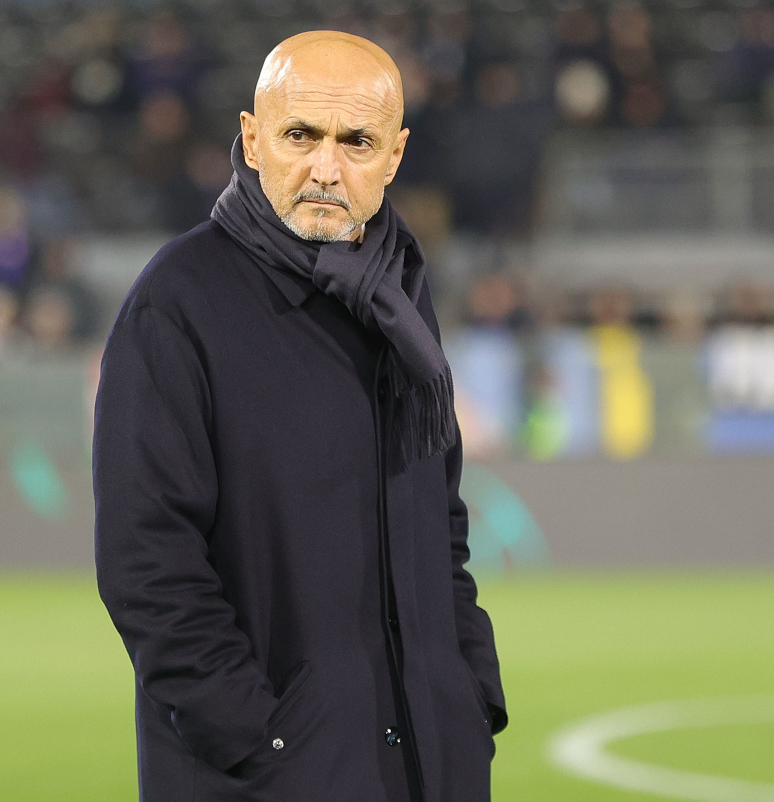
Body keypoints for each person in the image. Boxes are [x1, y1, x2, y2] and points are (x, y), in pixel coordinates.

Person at [94, 30, 505, 802]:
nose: (325, 168)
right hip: (273, 775)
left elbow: (438, 524)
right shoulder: (179, 301)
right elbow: (146, 565)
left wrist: (468, 693)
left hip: (430, 766)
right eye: (299, 135)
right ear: (252, 140)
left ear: (395, 155)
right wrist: (263, 738)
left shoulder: (402, 298)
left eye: (356, 141)